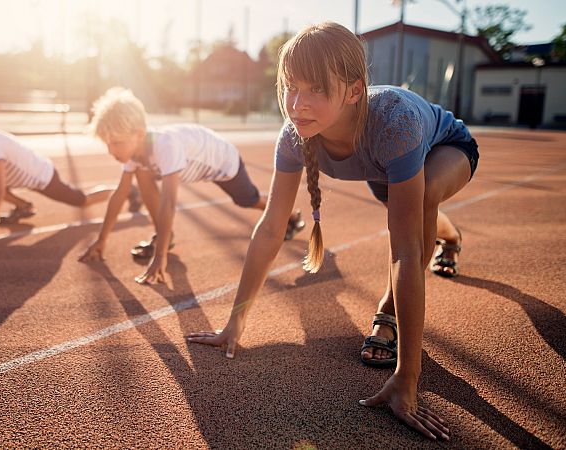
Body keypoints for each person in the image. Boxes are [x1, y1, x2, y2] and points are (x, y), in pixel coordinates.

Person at [186, 22, 479, 441]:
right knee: (413, 213)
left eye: (317, 89)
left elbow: (404, 252)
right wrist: (234, 323)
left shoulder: (393, 123)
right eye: (291, 87)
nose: (298, 104)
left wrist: (407, 377)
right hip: (386, 168)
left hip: (446, 148)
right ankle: (450, 237)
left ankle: (388, 311)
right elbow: (270, 229)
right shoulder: (294, 136)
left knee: (423, 202)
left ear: (355, 90)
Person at [78, 87, 306, 284]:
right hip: (197, 159)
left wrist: (160, 257)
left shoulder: (165, 146)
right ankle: (164, 236)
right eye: (107, 144)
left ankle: (291, 216)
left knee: (248, 200)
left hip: (223, 161)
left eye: (116, 143)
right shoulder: (134, 153)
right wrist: (102, 239)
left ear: (139, 134)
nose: (111, 150)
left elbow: (168, 203)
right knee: (142, 173)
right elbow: (119, 195)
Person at [0, 99, 116, 239]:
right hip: (20, 180)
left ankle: (121, 192)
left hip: (42, 177)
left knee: (82, 201)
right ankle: (23, 206)